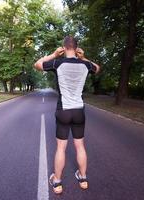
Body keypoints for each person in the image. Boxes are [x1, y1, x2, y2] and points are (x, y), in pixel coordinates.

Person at [34, 36, 100, 194]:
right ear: (77, 48)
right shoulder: (86, 65)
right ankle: (83, 178)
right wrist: (83, 57)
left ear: (63, 48)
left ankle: (57, 182)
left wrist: (54, 55)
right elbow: (97, 68)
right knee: (80, 146)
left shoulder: (58, 63)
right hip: (79, 111)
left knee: (61, 148)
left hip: (63, 110)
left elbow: (36, 64)